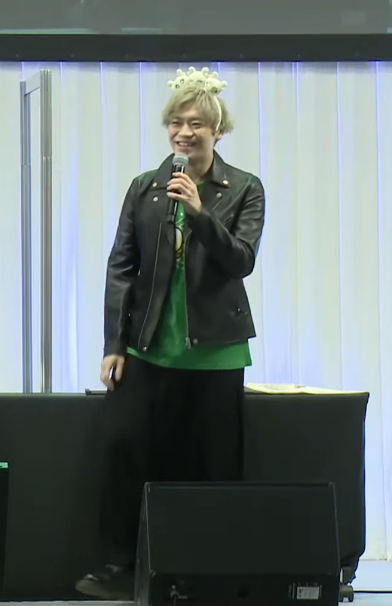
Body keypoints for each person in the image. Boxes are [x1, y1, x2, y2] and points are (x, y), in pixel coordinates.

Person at [76, 67, 266, 600]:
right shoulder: (146, 187)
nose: (184, 133)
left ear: (218, 131)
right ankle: (118, 568)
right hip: (148, 349)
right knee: (124, 455)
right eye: (176, 123)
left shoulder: (244, 188)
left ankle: (207, 574)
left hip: (216, 354)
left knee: (212, 470)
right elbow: (122, 265)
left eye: (197, 124)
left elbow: (241, 260)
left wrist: (200, 214)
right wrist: (114, 344)